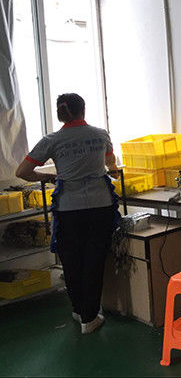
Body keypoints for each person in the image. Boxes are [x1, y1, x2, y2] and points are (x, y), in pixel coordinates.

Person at [15, 93, 120, 334]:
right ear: (83, 109)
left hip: (68, 209)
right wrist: (109, 169)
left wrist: (49, 177)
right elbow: (111, 164)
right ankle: (89, 318)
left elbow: (23, 171)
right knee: (94, 260)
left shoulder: (52, 140)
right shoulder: (100, 134)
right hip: (100, 206)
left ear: (60, 114)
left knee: (72, 260)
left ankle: (79, 310)